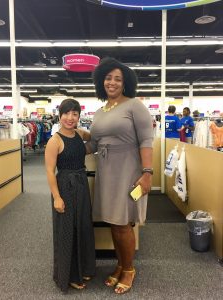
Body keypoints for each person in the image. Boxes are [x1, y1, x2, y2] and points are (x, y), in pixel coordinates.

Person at [90, 57, 153, 295]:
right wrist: (65, 141)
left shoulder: (134, 105)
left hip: (128, 170)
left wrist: (147, 173)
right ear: (101, 81)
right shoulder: (99, 111)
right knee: (113, 222)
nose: (112, 82)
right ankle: (119, 264)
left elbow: (147, 141)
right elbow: (94, 143)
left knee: (123, 224)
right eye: (108, 77)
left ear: (125, 83)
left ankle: (129, 269)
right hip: (106, 171)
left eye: (118, 78)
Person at [45, 98, 95, 293]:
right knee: (67, 230)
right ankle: (69, 275)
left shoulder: (80, 133)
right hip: (65, 186)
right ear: (60, 115)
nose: (70, 118)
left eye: (75, 114)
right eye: (66, 113)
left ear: (79, 117)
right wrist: (57, 197)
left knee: (82, 225)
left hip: (81, 184)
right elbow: (50, 171)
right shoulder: (54, 141)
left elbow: (93, 137)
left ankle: (84, 268)